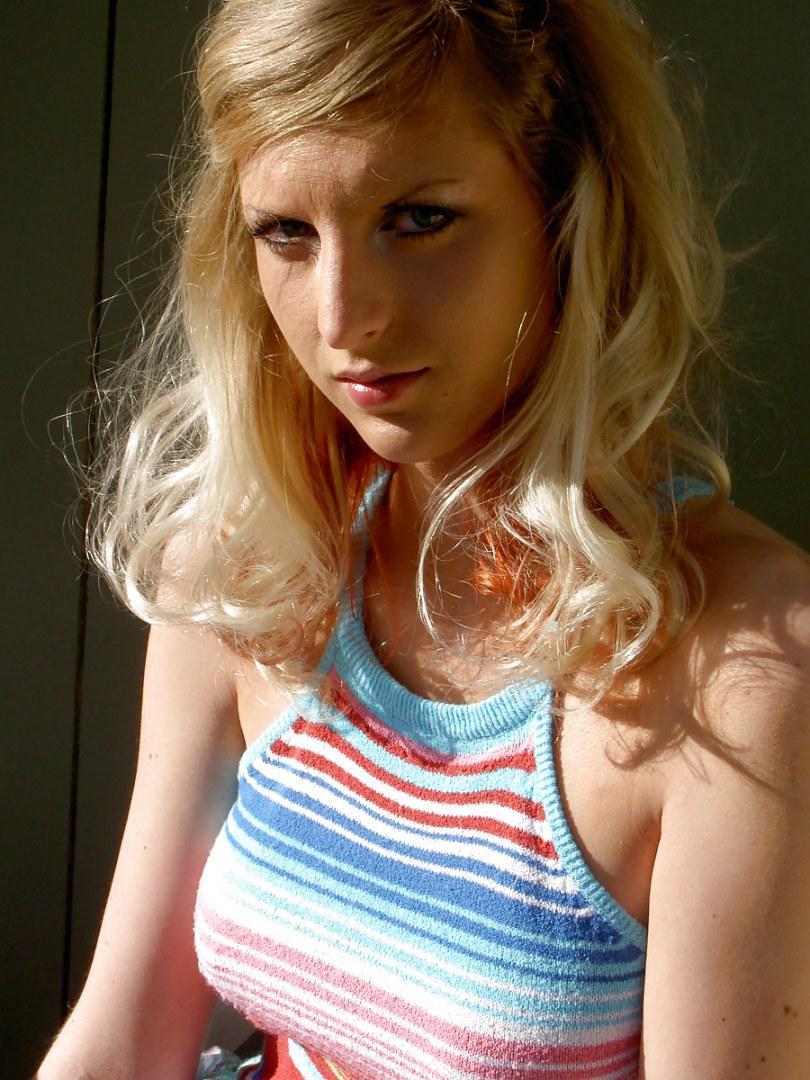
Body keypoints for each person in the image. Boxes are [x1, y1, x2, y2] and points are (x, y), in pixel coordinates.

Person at [37, 0, 810, 1077]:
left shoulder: (751, 666)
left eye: (419, 218)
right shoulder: (250, 561)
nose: (343, 317)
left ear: (567, 211)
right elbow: (121, 1044)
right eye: (286, 233)